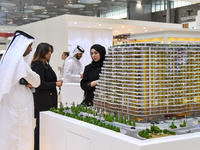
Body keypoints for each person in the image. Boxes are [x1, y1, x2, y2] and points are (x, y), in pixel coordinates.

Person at [0, 30, 40, 150]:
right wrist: (32, 82)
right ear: (22, 46)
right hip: (18, 107)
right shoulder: (18, 62)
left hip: (10, 106)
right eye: (29, 46)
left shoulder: (6, 59)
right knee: (20, 138)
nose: (31, 50)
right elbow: (37, 81)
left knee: (9, 137)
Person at [31, 43, 62, 150]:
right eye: (48, 51)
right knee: (41, 126)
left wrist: (56, 82)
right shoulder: (38, 64)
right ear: (42, 52)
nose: (50, 53)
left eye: (51, 51)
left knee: (46, 126)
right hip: (43, 100)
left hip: (48, 99)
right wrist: (55, 84)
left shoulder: (45, 64)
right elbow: (39, 84)